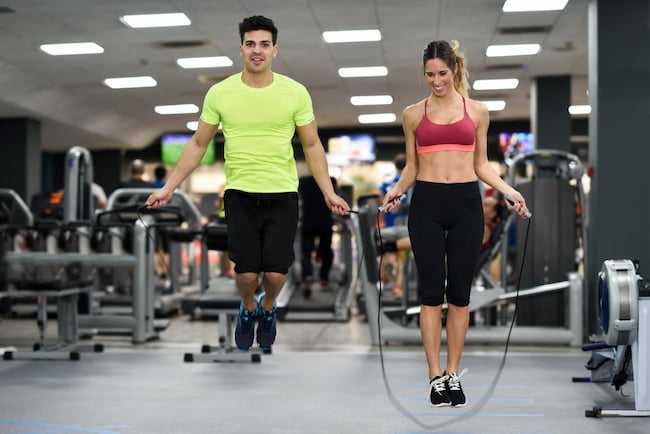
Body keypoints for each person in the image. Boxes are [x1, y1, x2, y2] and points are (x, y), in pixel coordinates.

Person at [145, 15, 350, 352]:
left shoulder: (294, 92)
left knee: (276, 275)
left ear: (274, 50)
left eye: (264, 44)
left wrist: (329, 192)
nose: (258, 50)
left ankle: (267, 307)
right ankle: (248, 307)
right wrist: (169, 187)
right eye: (251, 44)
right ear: (241, 48)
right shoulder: (220, 92)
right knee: (246, 274)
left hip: (282, 193)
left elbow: (312, 145)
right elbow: (198, 144)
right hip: (239, 193)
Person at [381, 40, 530, 409]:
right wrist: (396, 191)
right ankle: (434, 377)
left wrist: (509, 190)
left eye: (442, 73)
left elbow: (481, 165)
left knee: (459, 296)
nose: (436, 81)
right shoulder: (413, 114)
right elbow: (413, 168)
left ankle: (452, 374)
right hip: (426, 205)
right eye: (430, 74)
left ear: (455, 70)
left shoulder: (477, 111)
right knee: (431, 294)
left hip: (467, 204)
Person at [298, 175, 337, 298]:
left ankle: (307, 277)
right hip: (325, 222)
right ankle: (324, 279)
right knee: (326, 251)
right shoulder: (331, 180)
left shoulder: (303, 181)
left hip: (308, 221)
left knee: (306, 252)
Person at [376, 153, 409, 295]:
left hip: (389, 225)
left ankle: (387, 270)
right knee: (401, 258)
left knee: (389, 253)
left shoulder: (388, 179)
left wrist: (382, 207)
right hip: (405, 225)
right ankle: (398, 287)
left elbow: (376, 193)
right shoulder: (409, 179)